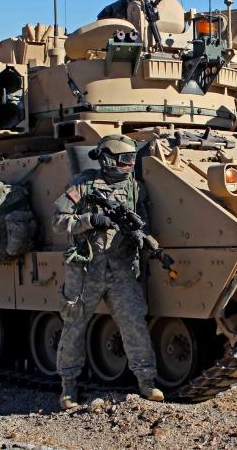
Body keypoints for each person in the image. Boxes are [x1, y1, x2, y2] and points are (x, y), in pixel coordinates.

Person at [52, 134, 164, 409]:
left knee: (134, 323)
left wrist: (141, 237)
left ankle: (147, 382)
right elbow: (58, 221)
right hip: (86, 267)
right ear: (106, 159)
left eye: (131, 159)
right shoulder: (82, 184)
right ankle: (68, 388)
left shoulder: (136, 189)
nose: (128, 164)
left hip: (121, 269)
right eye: (122, 159)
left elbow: (143, 223)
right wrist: (90, 220)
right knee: (74, 325)